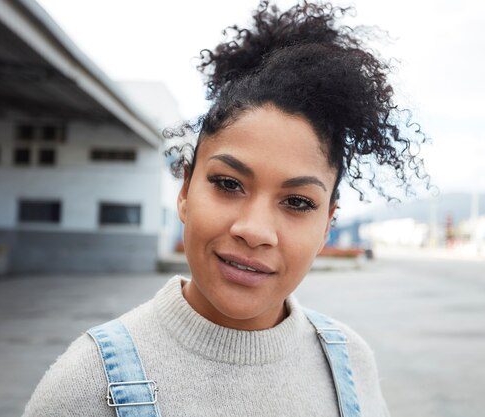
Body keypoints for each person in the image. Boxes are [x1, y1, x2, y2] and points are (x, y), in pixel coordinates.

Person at [23, 1, 428, 416]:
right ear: (185, 191)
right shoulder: (88, 384)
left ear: (328, 224)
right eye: (228, 183)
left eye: (297, 202)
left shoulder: (349, 363)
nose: (254, 230)